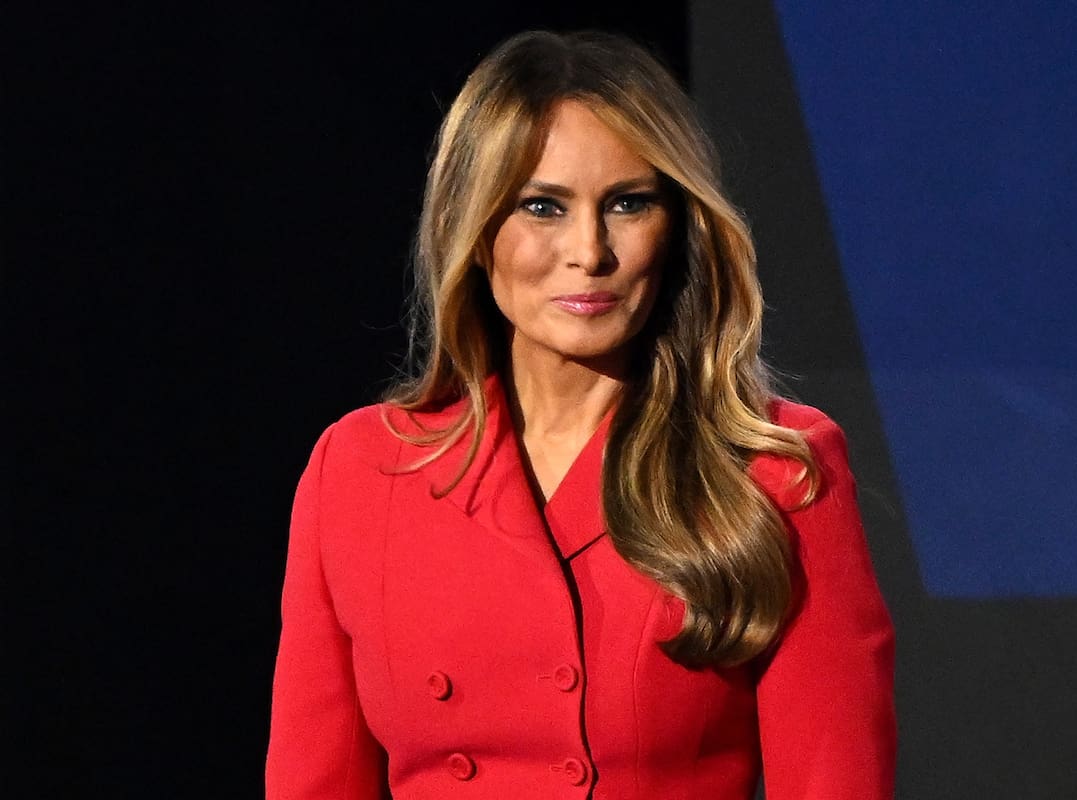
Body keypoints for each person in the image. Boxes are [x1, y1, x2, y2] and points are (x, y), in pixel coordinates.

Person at [265, 29, 895, 800]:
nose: (589, 252)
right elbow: (312, 782)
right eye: (543, 206)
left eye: (628, 203)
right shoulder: (363, 468)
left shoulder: (776, 467)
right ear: (474, 228)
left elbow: (833, 780)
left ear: (678, 226)